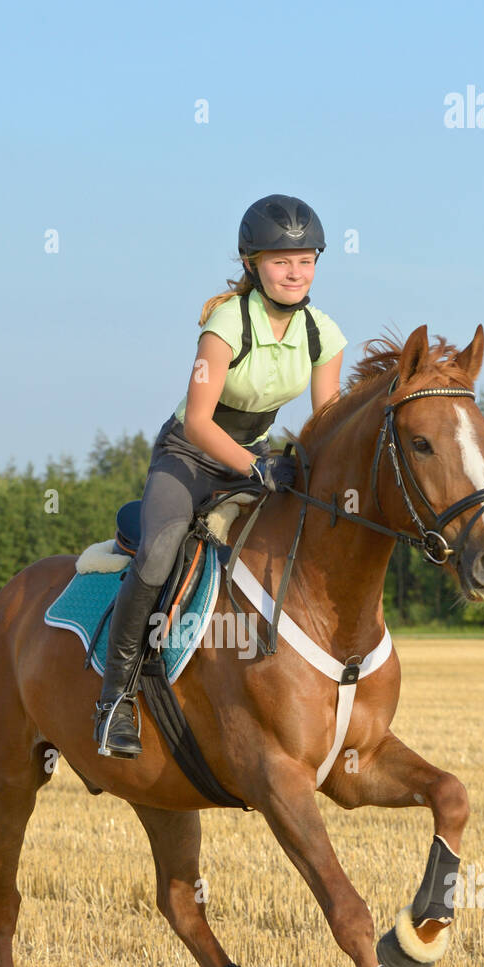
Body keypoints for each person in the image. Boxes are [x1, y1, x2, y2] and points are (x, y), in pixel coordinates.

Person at [94, 193, 348, 758]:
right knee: (160, 553)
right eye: (282, 261)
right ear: (253, 263)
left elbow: (327, 417)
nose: (295, 273)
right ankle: (115, 700)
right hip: (190, 456)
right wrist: (257, 466)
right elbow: (200, 419)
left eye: (306, 261)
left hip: (255, 459)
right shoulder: (226, 321)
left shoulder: (322, 332)